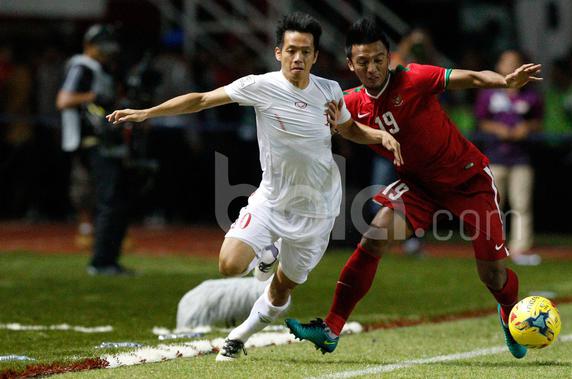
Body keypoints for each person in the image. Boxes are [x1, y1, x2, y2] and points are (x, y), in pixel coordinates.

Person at [106, 12, 402, 361]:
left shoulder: (330, 90)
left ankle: (238, 336)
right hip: (272, 201)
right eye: (291, 50)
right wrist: (145, 113)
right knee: (229, 264)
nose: (298, 58)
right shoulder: (259, 86)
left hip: (318, 209)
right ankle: (267, 253)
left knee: (281, 289)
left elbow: (349, 129)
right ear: (278, 52)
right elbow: (201, 99)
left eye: (306, 51)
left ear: (316, 56)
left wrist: (378, 135)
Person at [286, 18, 541, 359]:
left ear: (388, 57)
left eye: (378, 59)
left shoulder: (414, 77)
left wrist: (505, 82)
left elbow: (469, 77)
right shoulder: (349, 102)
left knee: (493, 276)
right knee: (374, 236)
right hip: (418, 186)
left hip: (468, 181)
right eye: (363, 62)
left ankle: (510, 312)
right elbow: (316, 115)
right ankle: (331, 328)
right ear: (351, 64)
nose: (372, 68)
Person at [56, 24, 130, 275]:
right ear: (90, 45)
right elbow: (64, 100)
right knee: (108, 200)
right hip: (91, 141)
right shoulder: (82, 66)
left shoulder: (101, 68)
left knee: (115, 199)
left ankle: (109, 259)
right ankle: (101, 261)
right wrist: (93, 97)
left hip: (104, 141)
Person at [475, 50, 543, 266]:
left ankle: (520, 248)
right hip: (494, 155)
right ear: (499, 65)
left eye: (516, 62)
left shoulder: (531, 94)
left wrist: (527, 127)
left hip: (521, 156)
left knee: (522, 204)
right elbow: (480, 120)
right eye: (507, 62)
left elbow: (538, 121)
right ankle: (493, 247)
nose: (511, 65)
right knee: (494, 204)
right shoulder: (489, 93)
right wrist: (498, 128)